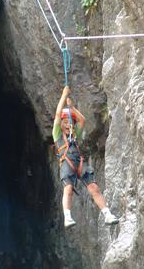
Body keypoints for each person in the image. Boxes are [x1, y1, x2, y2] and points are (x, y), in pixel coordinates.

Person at [52, 85, 119, 228]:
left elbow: (82, 120)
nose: (67, 124)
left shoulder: (74, 133)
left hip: (79, 163)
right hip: (66, 163)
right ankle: (67, 217)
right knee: (68, 189)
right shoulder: (57, 133)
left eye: (69, 122)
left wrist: (72, 108)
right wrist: (64, 96)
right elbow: (58, 115)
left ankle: (107, 214)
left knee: (94, 188)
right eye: (65, 122)